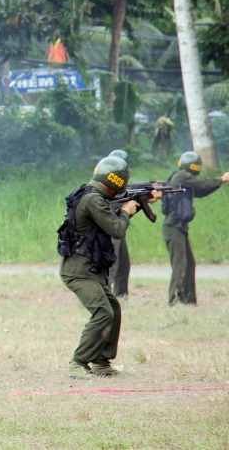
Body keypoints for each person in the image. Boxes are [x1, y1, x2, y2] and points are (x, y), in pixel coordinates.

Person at [58, 156, 160, 379]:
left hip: (88, 270)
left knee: (113, 309)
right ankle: (77, 363)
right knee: (103, 312)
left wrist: (138, 204)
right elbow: (116, 229)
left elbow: (109, 219)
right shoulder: (93, 200)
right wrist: (127, 211)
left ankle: (101, 363)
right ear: (116, 181)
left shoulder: (92, 195)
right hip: (78, 272)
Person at [162, 151, 229, 306]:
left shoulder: (185, 181)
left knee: (189, 263)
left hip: (179, 227)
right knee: (179, 265)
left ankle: (188, 301)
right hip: (173, 227)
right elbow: (201, 184)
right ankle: (173, 303)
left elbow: (201, 190)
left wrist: (220, 182)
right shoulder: (182, 176)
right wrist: (221, 178)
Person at [107, 150, 132, 298]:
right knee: (112, 268)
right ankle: (104, 299)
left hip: (118, 231)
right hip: (109, 231)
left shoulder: (120, 186)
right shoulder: (109, 185)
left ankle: (121, 298)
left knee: (123, 266)